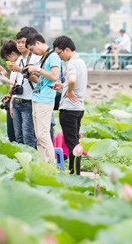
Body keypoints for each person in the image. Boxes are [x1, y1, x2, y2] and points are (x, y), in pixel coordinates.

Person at [52, 35, 88, 175]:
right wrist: (63, 86)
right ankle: (76, 172)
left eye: (59, 53)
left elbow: (73, 79)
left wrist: (70, 90)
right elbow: (72, 81)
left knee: (71, 144)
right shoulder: (81, 62)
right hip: (78, 108)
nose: (59, 57)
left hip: (69, 109)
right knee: (75, 143)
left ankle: (74, 173)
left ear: (66, 49)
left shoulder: (72, 63)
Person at [25, 33, 61, 164]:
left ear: (38, 43)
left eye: (32, 49)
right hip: (38, 98)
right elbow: (46, 77)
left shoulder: (53, 56)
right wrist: (34, 72)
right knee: (38, 135)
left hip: (45, 100)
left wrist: (38, 69)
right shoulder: (45, 57)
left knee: (43, 134)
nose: (32, 53)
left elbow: (54, 76)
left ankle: (51, 165)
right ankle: (42, 163)